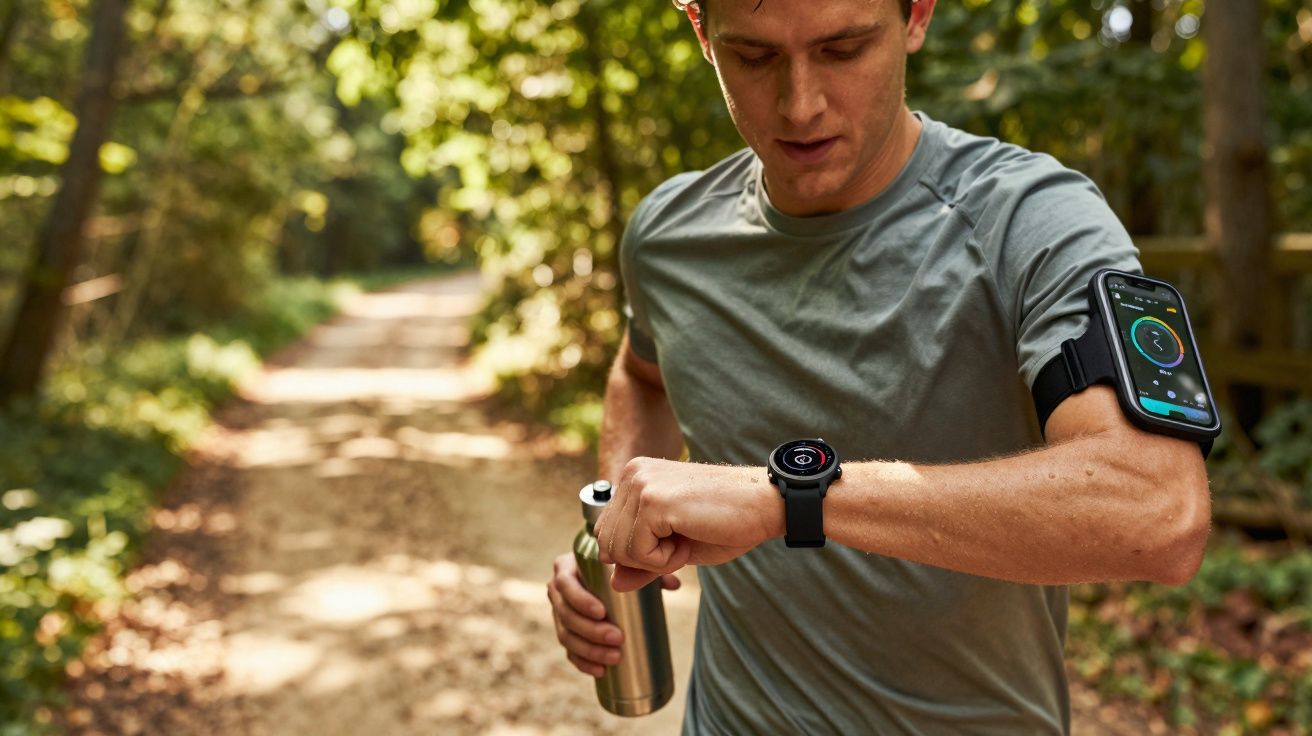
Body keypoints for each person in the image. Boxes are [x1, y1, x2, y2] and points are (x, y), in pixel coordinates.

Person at [545, 0, 1211, 732]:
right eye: (756, 57)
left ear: (916, 15)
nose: (801, 106)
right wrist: (611, 525)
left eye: (844, 48)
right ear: (703, 33)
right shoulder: (666, 236)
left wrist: (789, 499)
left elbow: (1159, 508)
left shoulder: (1032, 220)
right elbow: (641, 376)